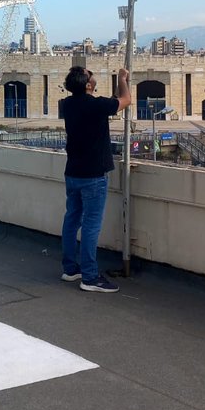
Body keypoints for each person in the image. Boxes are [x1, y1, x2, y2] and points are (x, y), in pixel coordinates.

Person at [59, 65, 133, 293]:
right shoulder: (96, 105)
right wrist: (122, 78)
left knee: (72, 220)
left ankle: (70, 269)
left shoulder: (67, 104)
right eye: (91, 76)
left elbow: (106, 104)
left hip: (73, 172)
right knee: (91, 225)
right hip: (93, 175)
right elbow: (126, 99)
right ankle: (90, 277)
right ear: (88, 85)